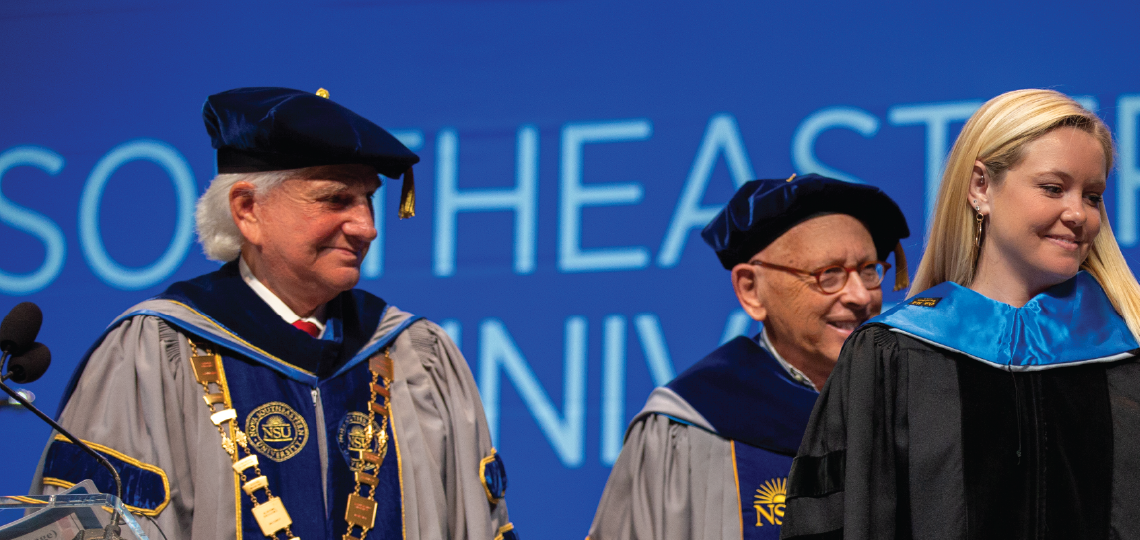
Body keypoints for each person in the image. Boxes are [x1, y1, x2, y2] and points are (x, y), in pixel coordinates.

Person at [32, 87, 517, 540]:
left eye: (368, 199)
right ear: (248, 210)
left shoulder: (415, 355)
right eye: (336, 199)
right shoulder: (157, 353)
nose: (367, 227)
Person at [781, 89, 1140, 539]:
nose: (1079, 214)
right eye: (1053, 188)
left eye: (1092, 196)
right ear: (981, 186)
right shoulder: (894, 354)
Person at [586, 173, 910, 540]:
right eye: (829, 274)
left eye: (869, 272)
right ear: (751, 290)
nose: (861, 296)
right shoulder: (693, 423)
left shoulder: (913, 404)